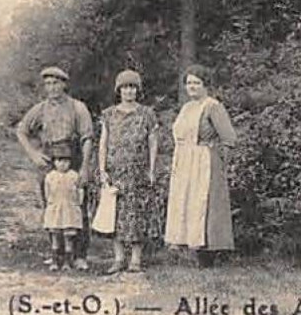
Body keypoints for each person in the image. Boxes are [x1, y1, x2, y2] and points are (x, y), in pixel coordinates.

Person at [15, 65, 96, 269]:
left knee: (77, 206)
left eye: (56, 83)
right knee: (51, 204)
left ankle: (79, 255)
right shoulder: (40, 109)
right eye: (48, 84)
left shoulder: (77, 107)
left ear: (64, 85)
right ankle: (56, 254)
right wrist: (33, 154)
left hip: (73, 156)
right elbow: (21, 130)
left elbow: (87, 138)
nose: (52, 88)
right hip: (49, 157)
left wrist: (85, 166)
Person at [163, 64, 238, 265]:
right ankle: (191, 250)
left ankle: (208, 256)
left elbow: (229, 138)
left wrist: (221, 163)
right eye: (189, 83)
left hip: (205, 161)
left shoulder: (212, 106)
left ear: (205, 84)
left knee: (204, 204)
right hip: (185, 161)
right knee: (187, 203)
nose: (192, 87)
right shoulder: (187, 108)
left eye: (197, 82)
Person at [98, 69, 161, 275]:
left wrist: (151, 169)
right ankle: (118, 258)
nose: (129, 91)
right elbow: (103, 143)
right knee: (114, 215)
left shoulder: (147, 114)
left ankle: (136, 259)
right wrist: (102, 169)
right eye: (125, 87)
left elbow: (153, 142)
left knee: (137, 214)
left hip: (138, 172)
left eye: (132, 87)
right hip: (115, 171)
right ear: (119, 90)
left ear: (138, 90)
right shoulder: (108, 114)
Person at [41, 153, 83, 270]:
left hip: (69, 209)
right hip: (56, 208)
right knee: (55, 235)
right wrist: (51, 203)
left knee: (68, 237)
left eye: (66, 161)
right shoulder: (50, 176)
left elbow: (80, 191)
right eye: (59, 161)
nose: (63, 164)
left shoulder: (74, 176)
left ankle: (67, 262)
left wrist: (77, 203)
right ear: (54, 162)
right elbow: (47, 192)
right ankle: (55, 261)